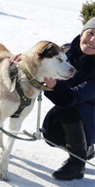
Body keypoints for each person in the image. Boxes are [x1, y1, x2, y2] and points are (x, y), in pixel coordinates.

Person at [42, 16, 95, 180]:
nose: (93, 40)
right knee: (51, 133)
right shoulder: (66, 52)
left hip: (90, 115)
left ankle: (77, 163)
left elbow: (72, 98)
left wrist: (54, 86)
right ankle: (87, 147)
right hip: (78, 112)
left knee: (71, 108)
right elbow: (40, 60)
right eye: (91, 33)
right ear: (82, 33)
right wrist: (22, 61)